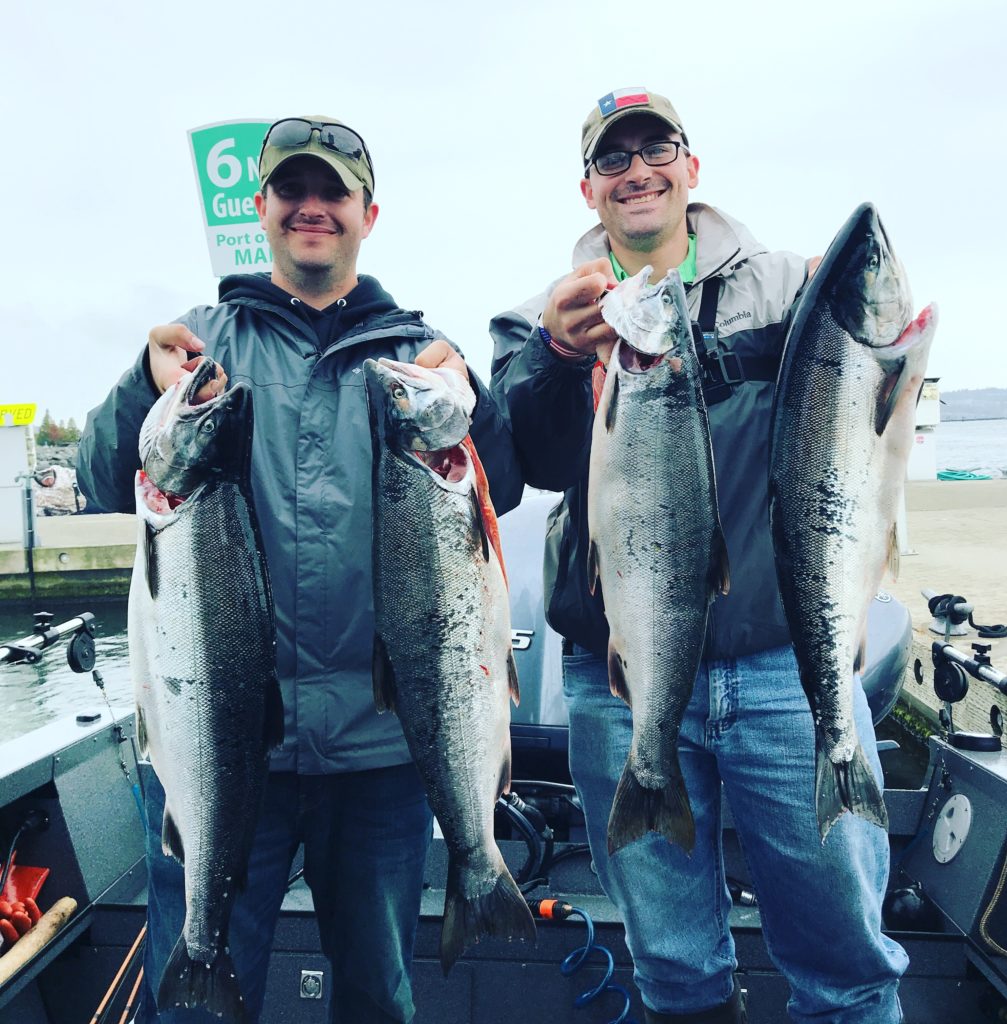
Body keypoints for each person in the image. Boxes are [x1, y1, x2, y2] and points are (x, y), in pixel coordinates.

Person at [77, 115, 521, 1023]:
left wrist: (470, 395)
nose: (312, 208)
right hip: (230, 745)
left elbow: (501, 485)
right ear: (262, 207)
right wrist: (141, 379)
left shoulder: (418, 356)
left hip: (384, 753)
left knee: (377, 999)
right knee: (196, 995)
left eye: (334, 193)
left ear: (369, 213)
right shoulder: (198, 346)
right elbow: (97, 475)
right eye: (293, 191)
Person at [488, 89, 908, 1024]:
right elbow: (515, 467)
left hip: (785, 671)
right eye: (613, 158)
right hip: (619, 680)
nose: (637, 170)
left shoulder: (795, 286)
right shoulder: (538, 318)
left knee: (845, 964)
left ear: (691, 165)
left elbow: (858, 410)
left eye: (656, 148)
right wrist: (558, 355)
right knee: (673, 969)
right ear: (587, 189)